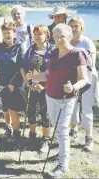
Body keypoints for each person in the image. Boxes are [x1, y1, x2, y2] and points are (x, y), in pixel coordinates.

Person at [26, 23, 88, 178]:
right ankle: (63, 153)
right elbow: (47, 75)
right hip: (50, 95)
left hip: (66, 99)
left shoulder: (77, 54)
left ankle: (62, 166)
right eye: (56, 36)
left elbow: (84, 79)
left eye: (62, 36)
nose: (59, 39)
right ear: (52, 37)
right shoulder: (53, 53)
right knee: (57, 129)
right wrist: (33, 77)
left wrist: (73, 87)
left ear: (69, 36)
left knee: (62, 131)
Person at [20, 25, 55, 152]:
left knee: (45, 113)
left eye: (40, 34)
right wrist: (27, 80)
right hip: (31, 86)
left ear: (47, 35)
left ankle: (45, 138)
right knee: (31, 111)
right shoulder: (30, 49)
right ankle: (32, 136)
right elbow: (22, 67)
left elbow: (54, 71)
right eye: (35, 34)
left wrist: (43, 85)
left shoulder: (52, 51)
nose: (37, 36)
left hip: (45, 87)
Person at [68, 17, 97, 152]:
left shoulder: (87, 43)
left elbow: (90, 64)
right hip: (71, 80)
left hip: (87, 80)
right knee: (72, 108)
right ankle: (73, 131)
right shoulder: (67, 42)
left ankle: (88, 137)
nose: (74, 29)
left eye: (76, 26)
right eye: (71, 26)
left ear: (82, 28)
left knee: (86, 110)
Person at [0, 22, 25, 141]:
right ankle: (8, 128)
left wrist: (13, 83)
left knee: (13, 110)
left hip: (14, 84)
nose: (7, 35)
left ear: (14, 33)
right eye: (5, 33)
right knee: (5, 109)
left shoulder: (19, 47)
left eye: (9, 32)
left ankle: (16, 133)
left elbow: (21, 67)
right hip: (1, 82)